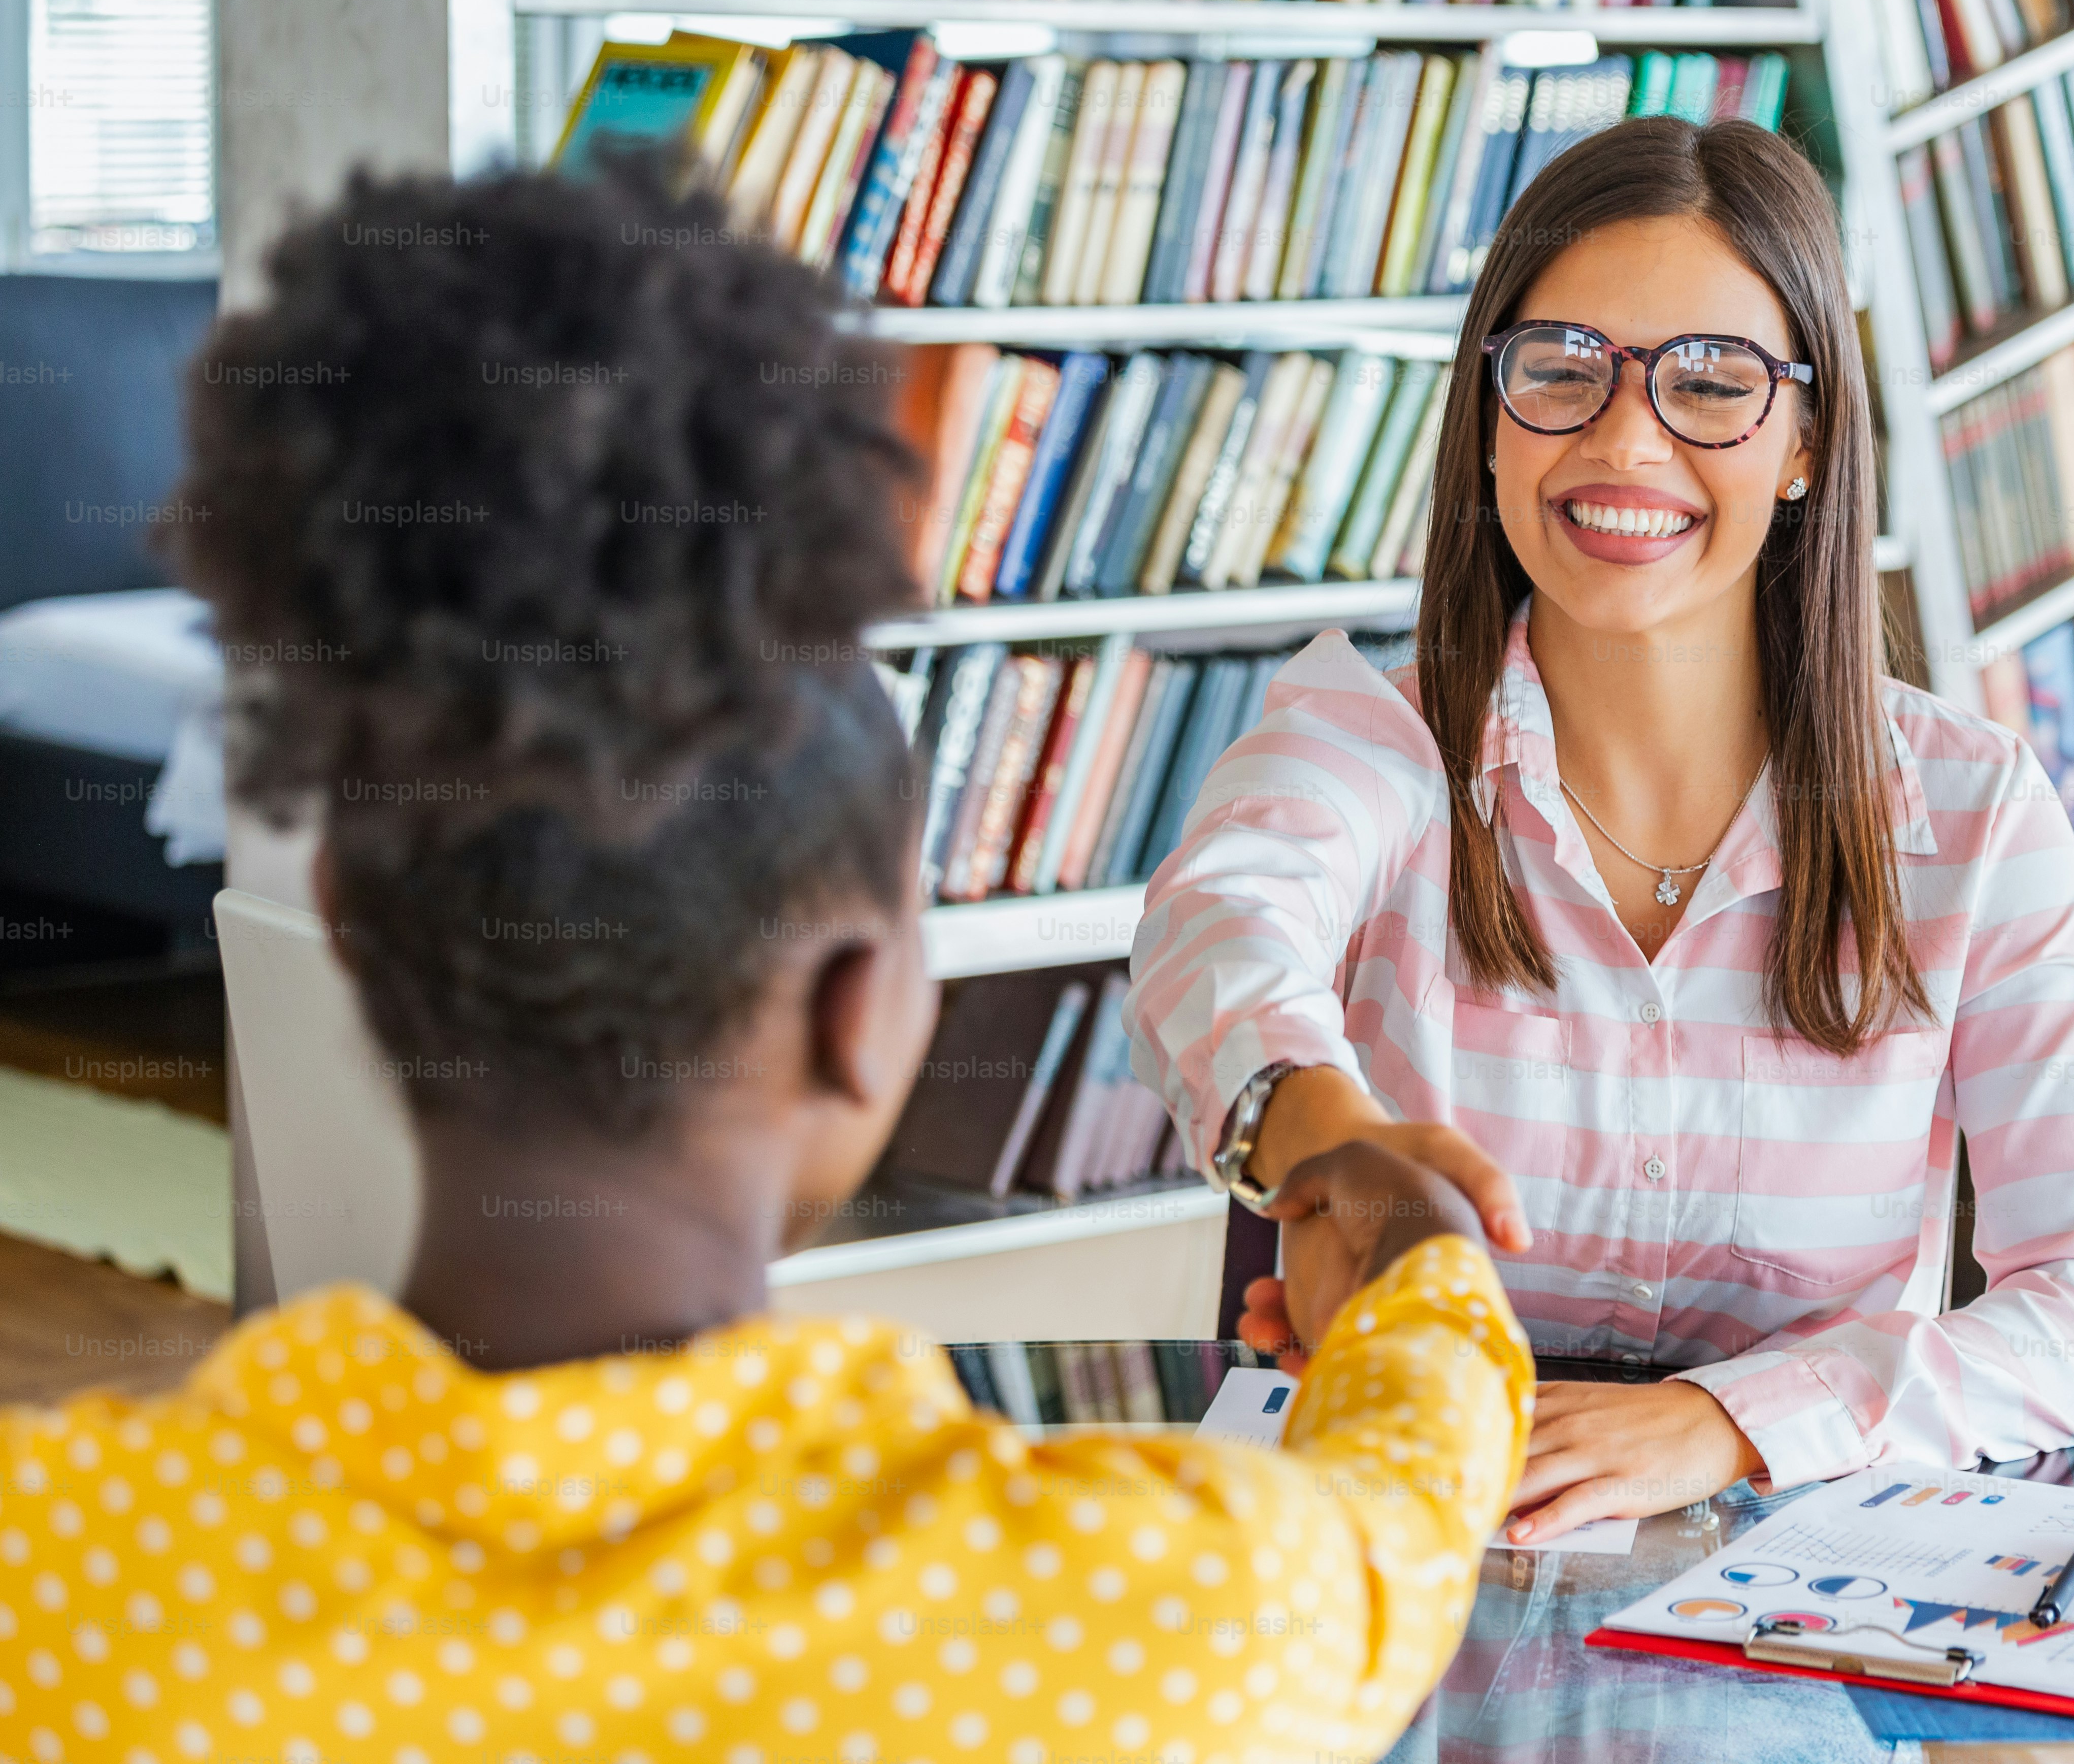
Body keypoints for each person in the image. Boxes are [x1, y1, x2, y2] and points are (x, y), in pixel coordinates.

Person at [0, 167, 1529, 1756]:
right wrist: (1420, 1266)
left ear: (356, 943)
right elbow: (1402, 1519)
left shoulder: (54, 1582)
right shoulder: (1166, 1613)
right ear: (862, 1018)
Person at [1126, 116, 2074, 1547]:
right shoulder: (1369, 740)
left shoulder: (1968, 812)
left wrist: (1727, 1421)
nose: (1625, 441)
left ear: (1809, 442)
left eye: (1713, 383)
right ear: (1491, 416)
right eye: (1562, 371)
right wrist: (1323, 1132)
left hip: (1808, 1612)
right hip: (1409, 1562)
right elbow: (1224, 917)